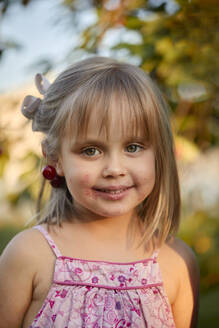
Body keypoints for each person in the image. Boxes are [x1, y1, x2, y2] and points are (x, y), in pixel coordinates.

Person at [0, 56, 199, 328]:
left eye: (133, 147)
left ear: (159, 152)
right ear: (54, 158)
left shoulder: (177, 262)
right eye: (90, 151)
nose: (114, 169)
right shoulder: (28, 255)